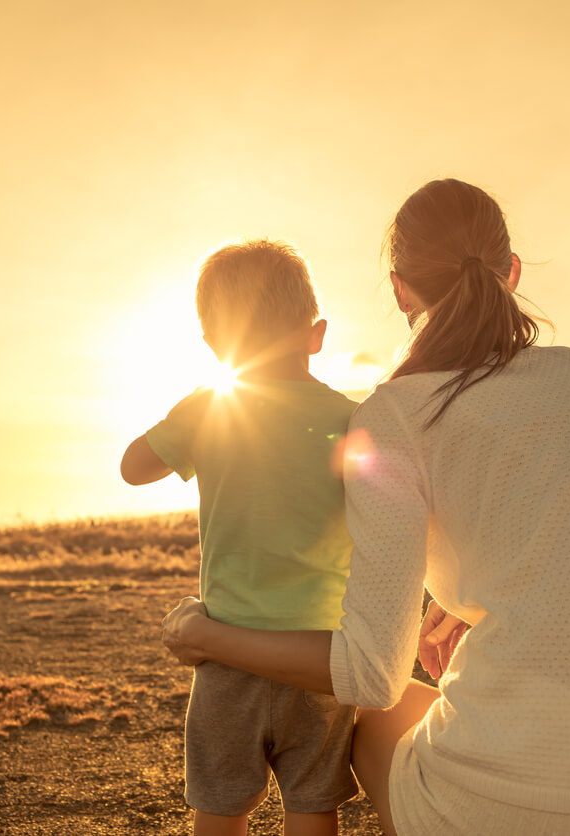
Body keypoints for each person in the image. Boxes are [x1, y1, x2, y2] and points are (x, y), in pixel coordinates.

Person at [161, 179, 570, 835]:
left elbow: (370, 675)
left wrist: (207, 636)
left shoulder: (395, 414)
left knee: (366, 713)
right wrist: (465, 598)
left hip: (526, 812)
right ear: (510, 272)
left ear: (400, 290)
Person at [121, 239, 360, 836]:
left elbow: (133, 467)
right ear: (317, 333)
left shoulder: (209, 409)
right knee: (312, 804)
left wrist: (191, 415)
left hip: (227, 653)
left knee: (221, 806)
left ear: (213, 345)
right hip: (318, 656)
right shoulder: (350, 420)